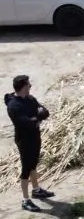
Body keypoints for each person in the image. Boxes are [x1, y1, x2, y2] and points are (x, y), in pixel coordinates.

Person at [6, 75, 52, 213]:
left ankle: (36, 190)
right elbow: (24, 123)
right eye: (29, 85)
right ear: (23, 87)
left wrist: (36, 118)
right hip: (24, 140)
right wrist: (36, 118)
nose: (30, 87)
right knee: (26, 168)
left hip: (34, 136)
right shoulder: (14, 106)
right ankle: (25, 200)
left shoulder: (30, 99)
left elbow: (45, 111)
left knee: (33, 163)